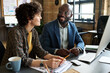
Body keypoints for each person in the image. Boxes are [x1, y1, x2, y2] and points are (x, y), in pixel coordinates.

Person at [1, 2, 64, 69]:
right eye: (38, 15)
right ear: (29, 18)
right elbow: (22, 59)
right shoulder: (15, 32)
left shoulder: (33, 31)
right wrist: (46, 63)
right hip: (9, 68)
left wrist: (53, 57)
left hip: (25, 68)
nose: (41, 17)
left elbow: (39, 50)